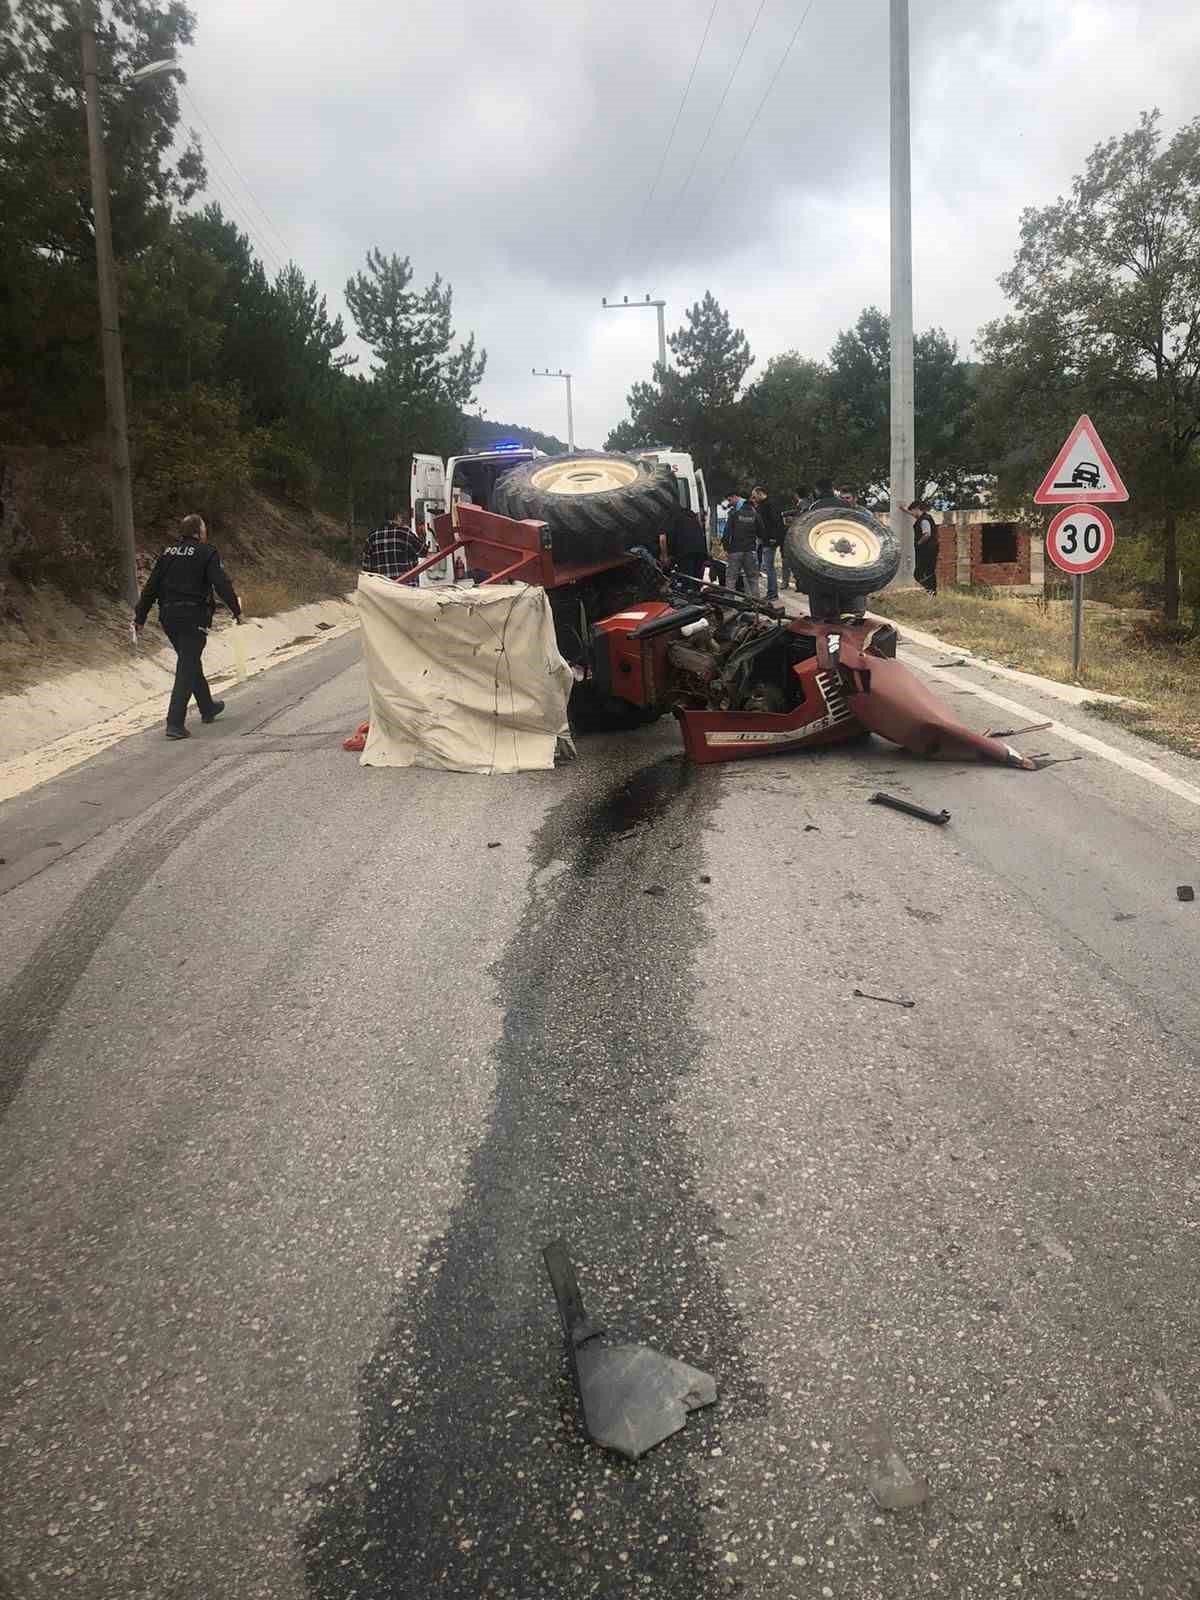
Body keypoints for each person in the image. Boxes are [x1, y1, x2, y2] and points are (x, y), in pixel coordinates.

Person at [134, 513, 242, 740]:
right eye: (204, 529)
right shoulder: (207, 552)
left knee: (189, 659)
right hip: (194, 616)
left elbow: (151, 587)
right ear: (199, 532)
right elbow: (220, 582)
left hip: (169, 618)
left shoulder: (167, 554)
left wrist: (140, 617)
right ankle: (174, 723)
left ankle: (207, 707)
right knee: (187, 665)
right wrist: (236, 609)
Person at [722, 491, 763, 599]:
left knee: (731, 579)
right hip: (750, 550)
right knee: (752, 579)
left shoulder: (734, 514)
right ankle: (755, 603)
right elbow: (762, 533)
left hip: (735, 551)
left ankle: (729, 604)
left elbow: (726, 533)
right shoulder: (755, 515)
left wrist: (726, 548)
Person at [361, 512, 425, 582]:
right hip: (406, 586)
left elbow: (366, 567)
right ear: (397, 517)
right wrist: (423, 536)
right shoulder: (405, 533)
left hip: (381, 586)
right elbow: (423, 551)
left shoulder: (372, 537)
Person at [659, 494, 708, 581]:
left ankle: (688, 591)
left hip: (686, 552)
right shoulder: (690, 514)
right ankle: (695, 592)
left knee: (687, 579)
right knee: (696, 579)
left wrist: (665, 556)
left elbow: (662, 538)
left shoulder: (669, 516)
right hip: (701, 550)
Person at [750, 485, 785, 602]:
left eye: (755, 496)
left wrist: (773, 538)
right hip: (768, 540)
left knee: (769, 567)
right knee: (768, 567)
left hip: (769, 541)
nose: (754, 499)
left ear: (760, 493)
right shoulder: (768, 505)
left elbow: (774, 522)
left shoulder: (767, 506)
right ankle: (772, 592)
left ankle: (772, 593)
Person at [905, 500, 939, 593]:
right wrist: (905, 510)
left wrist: (918, 543)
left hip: (926, 550)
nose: (912, 513)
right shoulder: (925, 517)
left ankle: (930, 591)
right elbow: (915, 516)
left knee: (919, 574)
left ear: (916, 509)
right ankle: (931, 591)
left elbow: (927, 534)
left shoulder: (923, 520)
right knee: (928, 572)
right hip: (930, 549)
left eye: (912, 511)